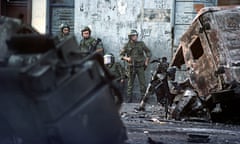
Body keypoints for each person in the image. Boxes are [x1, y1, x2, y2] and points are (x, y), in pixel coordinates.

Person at [120, 29, 152, 103]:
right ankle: (129, 99)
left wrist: (147, 61)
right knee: (130, 84)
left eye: (136, 35)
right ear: (130, 37)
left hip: (140, 66)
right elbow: (121, 55)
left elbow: (148, 52)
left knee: (143, 83)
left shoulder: (141, 44)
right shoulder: (127, 45)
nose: (135, 37)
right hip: (131, 67)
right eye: (134, 36)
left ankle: (143, 99)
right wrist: (126, 58)